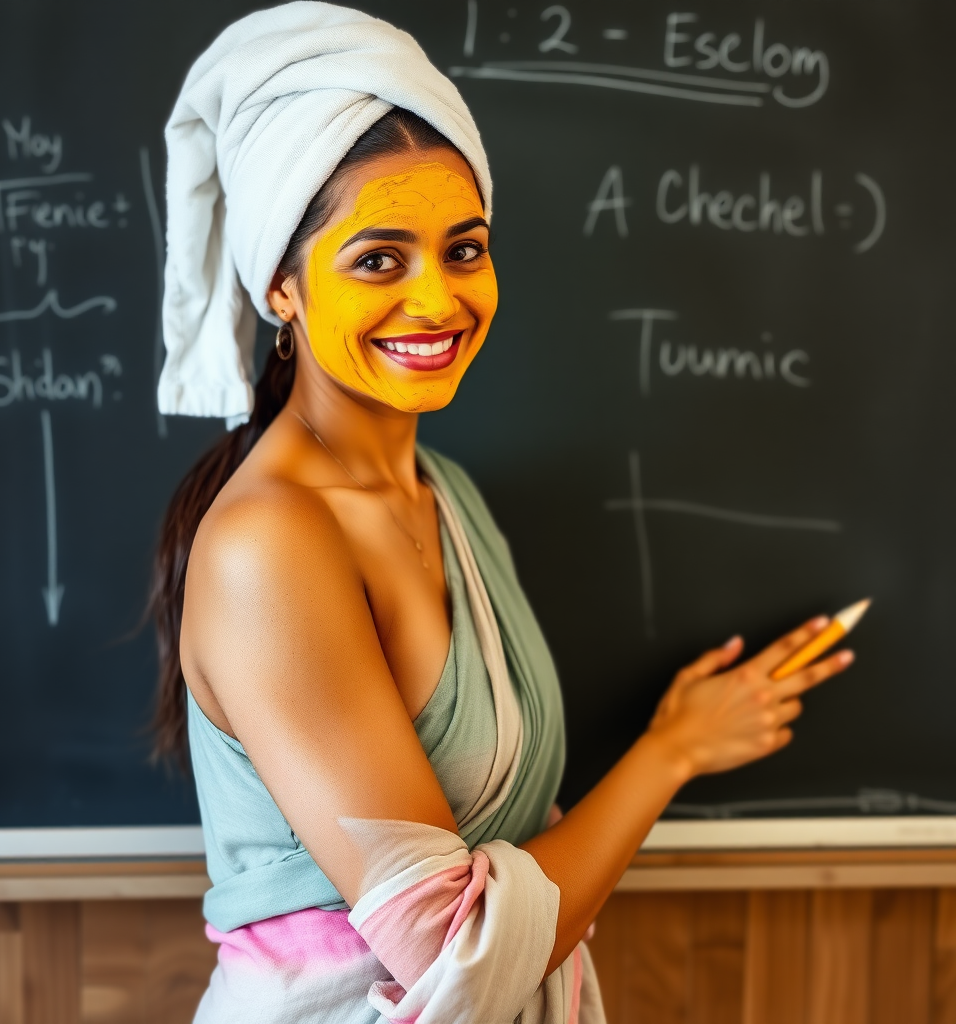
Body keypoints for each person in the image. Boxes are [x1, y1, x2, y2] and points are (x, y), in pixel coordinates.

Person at [149, 5, 854, 1022]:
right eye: (378, 260)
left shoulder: (447, 496)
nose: (437, 299)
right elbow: (455, 948)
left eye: (464, 248)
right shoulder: (270, 542)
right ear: (281, 289)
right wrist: (670, 752)